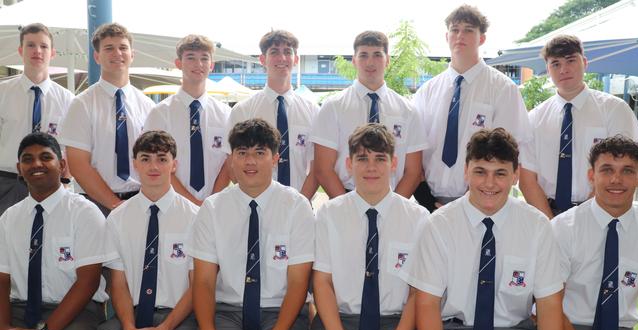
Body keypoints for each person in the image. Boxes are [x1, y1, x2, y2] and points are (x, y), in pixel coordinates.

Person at [402, 128, 564, 330]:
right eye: (480, 172)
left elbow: (549, 303)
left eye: (500, 173)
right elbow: (426, 302)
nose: (490, 183)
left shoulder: (538, 226)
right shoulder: (438, 225)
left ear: (515, 175)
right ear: (466, 171)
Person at [188, 119, 314, 330]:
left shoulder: (297, 207)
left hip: (281, 313)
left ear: (276, 158)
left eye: (260, 153)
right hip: (227, 313)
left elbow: (299, 281)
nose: (250, 162)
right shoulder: (212, 208)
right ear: (231, 159)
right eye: (242, 153)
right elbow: (202, 281)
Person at [304, 124, 427, 330]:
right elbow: (322, 282)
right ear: (349, 165)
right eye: (362, 158)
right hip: (340, 320)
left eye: (380, 159)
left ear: (394, 164)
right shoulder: (329, 214)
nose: (371, 167)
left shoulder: (418, 218)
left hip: (396, 322)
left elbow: (419, 291)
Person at [76, 130, 198, 330]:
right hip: (129, 316)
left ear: (174, 165)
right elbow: (117, 283)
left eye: (162, 159)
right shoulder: (118, 218)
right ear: (134, 164)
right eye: (145, 159)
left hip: (176, 318)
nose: (154, 166)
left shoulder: (195, 217)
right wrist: (129, 329)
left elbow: (197, 286)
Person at [0, 132, 107, 330]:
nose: (36, 164)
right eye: (28, 159)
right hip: (21, 308)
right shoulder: (9, 217)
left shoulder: (84, 213)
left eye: (45, 157)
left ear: (62, 165)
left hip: (76, 312)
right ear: (19, 169)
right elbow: (2, 280)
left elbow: (88, 282)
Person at [412, 5, 532, 212]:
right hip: (430, 202)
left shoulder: (503, 88)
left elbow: (511, 151)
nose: (460, 35)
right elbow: (415, 150)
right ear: (446, 36)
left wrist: (475, 199)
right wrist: (426, 200)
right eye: (455, 29)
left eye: (468, 30)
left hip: (484, 201)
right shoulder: (427, 91)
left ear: (482, 38)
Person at [519, 35, 638, 218]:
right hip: (546, 214)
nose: (564, 69)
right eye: (555, 64)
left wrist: (582, 219)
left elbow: (629, 166)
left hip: (601, 213)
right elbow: (527, 178)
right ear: (548, 69)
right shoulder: (534, 118)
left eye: (571, 60)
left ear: (585, 62)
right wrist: (550, 225)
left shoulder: (614, 110)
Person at [551, 136, 638, 330]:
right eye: (607, 170)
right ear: (591, 176)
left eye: (627, 171)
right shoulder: (563, 228)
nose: (616, 179)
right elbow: (547, 308)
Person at [312, 30, 427, 200]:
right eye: (363, 55)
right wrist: (348, 208)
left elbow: (414, 171)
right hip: (346, 200)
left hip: (393, 202)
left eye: (377, 55)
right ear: (354, 60)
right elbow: (323, 168)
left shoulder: (408, 111)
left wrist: (392, 209)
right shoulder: (333, 107)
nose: (370, 62)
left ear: (387, 60)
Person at [59, 22, 155, 216]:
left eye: (123, 48)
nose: (117, 53)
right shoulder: (82, 104)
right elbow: (78, 165)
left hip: (141, 202)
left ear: (132, 55)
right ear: (97, 56)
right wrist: (115, 205)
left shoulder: (148, 106)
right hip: (94, 204)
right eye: (109, 48)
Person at [228, 30, 319, 199]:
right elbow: (233, 166)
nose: (282, 58)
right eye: (274, 52)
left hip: (301, 206)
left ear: (296, 59)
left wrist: (300, 204)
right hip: (255, 205)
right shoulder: (243, 110)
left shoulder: (313, 111)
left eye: (287, 52)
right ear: (263, 59)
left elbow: (317, 168)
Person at [144, 34, 232, 206]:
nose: (198, 64)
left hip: (214, 205)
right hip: (170, 204)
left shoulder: (226, 114)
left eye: (204, 58)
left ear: (211, 65)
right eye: (191, 58)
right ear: (178, 63)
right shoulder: (160, 114)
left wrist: (210, 203)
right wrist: (191, 203)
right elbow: (155, 164)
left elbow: (228, 163)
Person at [0, 23, 74, 215]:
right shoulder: (2, 93)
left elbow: (70, 148)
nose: (37, 51)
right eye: (31, 45)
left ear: (53, 53)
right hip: (8, 184)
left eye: (43, 46)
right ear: (20, 50)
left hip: (51, 184)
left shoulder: (68, 100)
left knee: (50, 240)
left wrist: (65, 183)